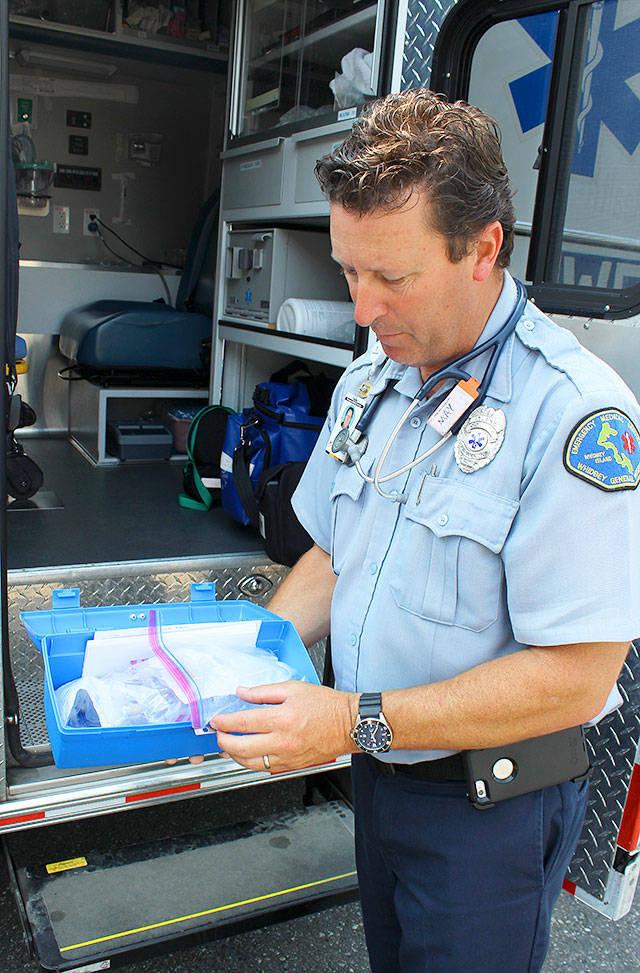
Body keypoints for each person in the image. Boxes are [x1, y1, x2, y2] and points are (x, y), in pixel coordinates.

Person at [206, 90, 640, 971]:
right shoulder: (378, 376)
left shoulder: (573, 415)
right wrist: (249, 662)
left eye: (392, 278)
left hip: (488, 809)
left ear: (483, 250)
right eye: (348, 272)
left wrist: (351, 720)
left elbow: (576, 676)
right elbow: (336, 549)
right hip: (380, 777)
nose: (362, 310)